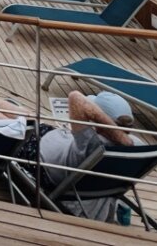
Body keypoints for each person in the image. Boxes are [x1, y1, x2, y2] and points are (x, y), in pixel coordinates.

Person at [16, 90, 139, 222]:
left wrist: (105, 125)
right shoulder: (137, 147)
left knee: (15, 122)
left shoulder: (91, 144)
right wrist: (122, 137)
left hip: (36, 154)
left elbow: (75, 97)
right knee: (29, 117)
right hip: (53, 139)